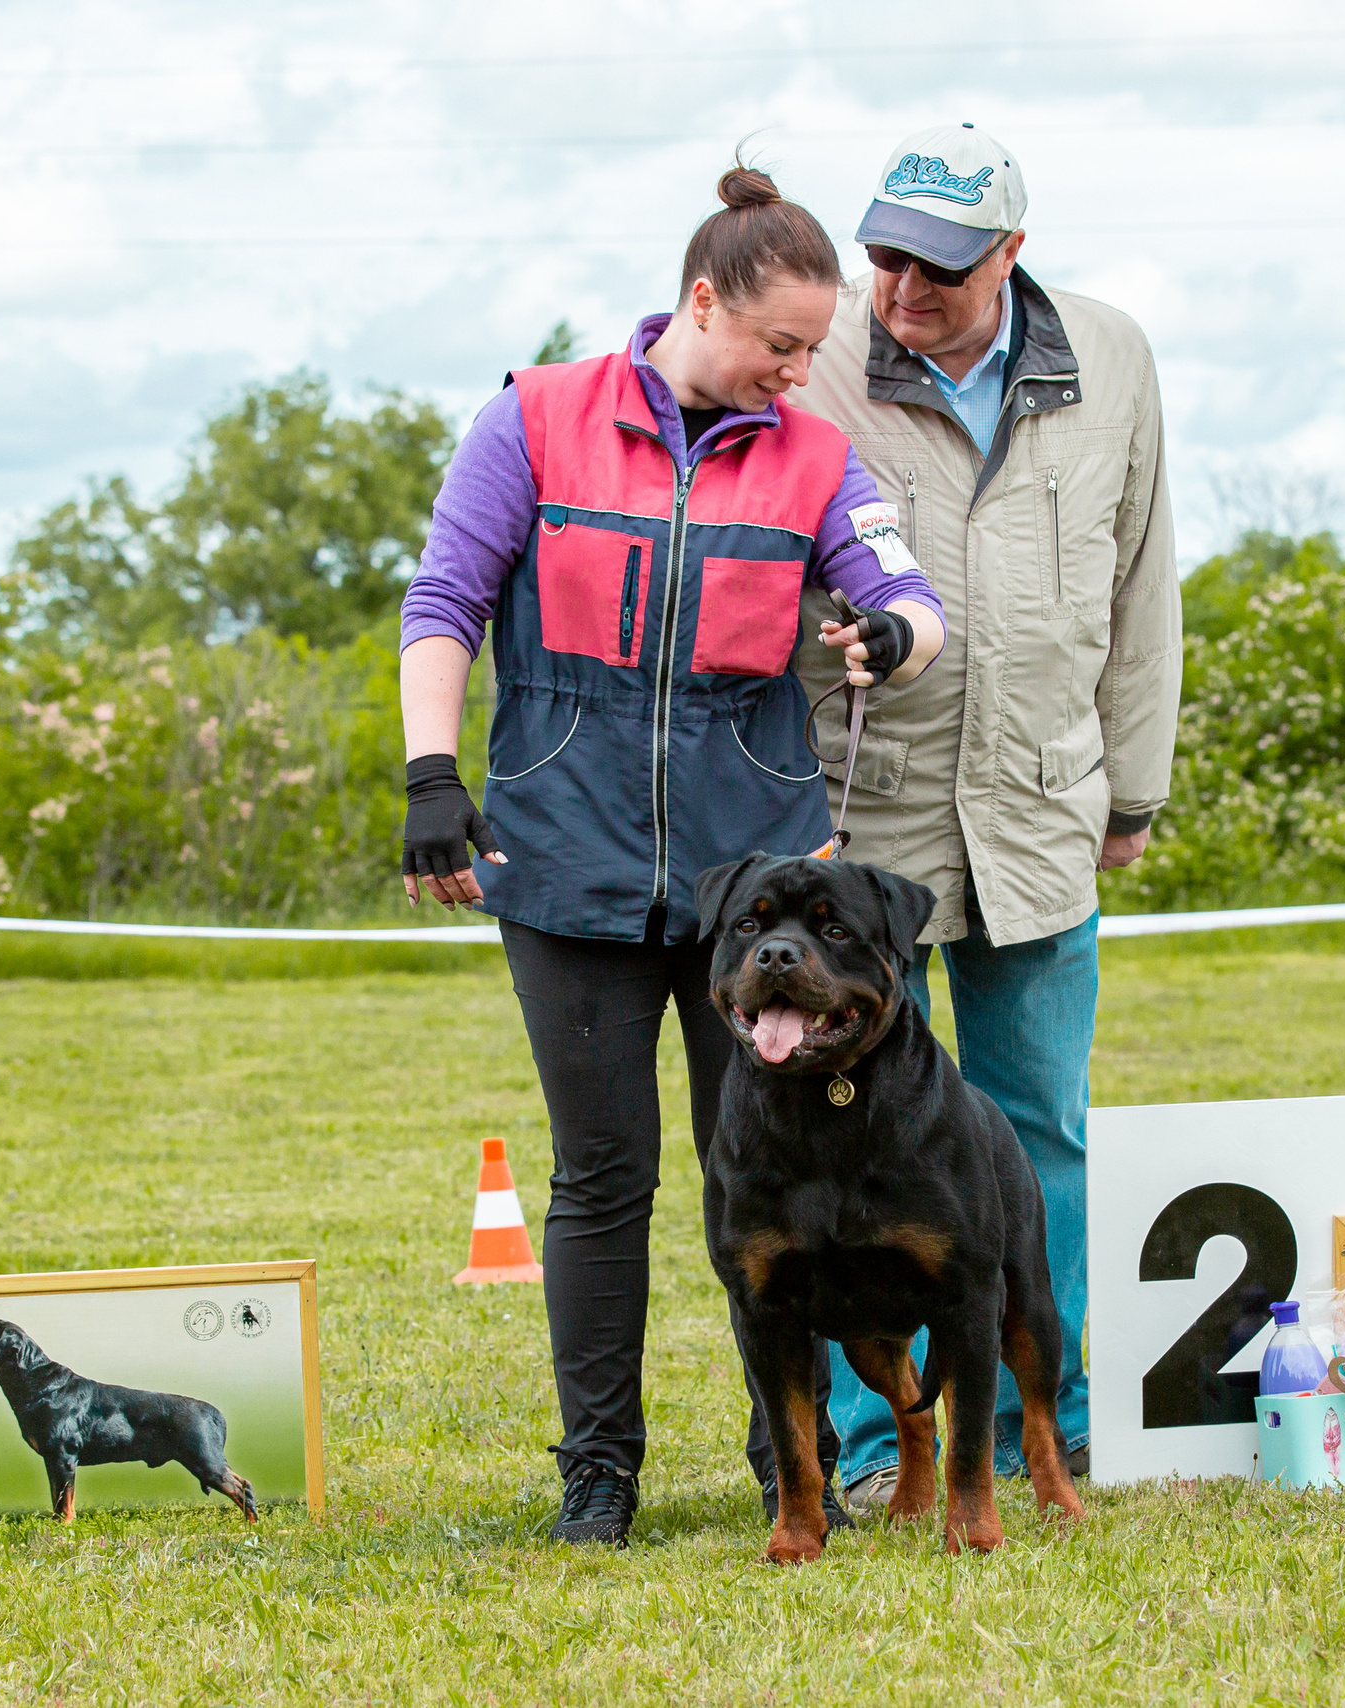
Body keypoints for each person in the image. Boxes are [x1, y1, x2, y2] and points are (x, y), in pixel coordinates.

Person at [396, 164, 947, 1548]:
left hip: (752, 887)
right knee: (601, 1176)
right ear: (704, 302)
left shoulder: (815, 456)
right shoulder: (532, 420)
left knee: (773, 1182)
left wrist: (888, 633)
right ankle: (598, 1474)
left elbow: (908, 597)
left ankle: (791, 1469)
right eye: (782, 345)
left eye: (815, 352)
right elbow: (446, 601)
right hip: (562, 856)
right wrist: (429, 776)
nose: (799, 372)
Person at [789, 123, 1181, 1510]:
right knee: (849, 1140)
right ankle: (887, 1441)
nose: (897, 289)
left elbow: (1143, 586)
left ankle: (1038, 1427)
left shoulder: (1117, 357)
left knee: (1036, 1134)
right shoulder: (817, 351)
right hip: (864, 828)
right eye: (884, 253)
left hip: (1037, 813)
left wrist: (1133, 787)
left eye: (937, 269)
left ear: (1013, 252)